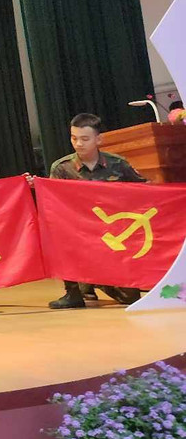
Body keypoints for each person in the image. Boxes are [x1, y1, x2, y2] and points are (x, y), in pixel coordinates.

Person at [46, 113, 147, 309]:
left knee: (129, 297)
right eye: (74, 138)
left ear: (98, 139)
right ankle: (73, 291)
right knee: (59, 235)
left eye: (85, 139)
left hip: (112, 232)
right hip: (78, 232)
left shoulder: (118, 164)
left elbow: (142, 191)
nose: (78, 144)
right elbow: (53, 202)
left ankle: (92, 281)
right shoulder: (62, 168)